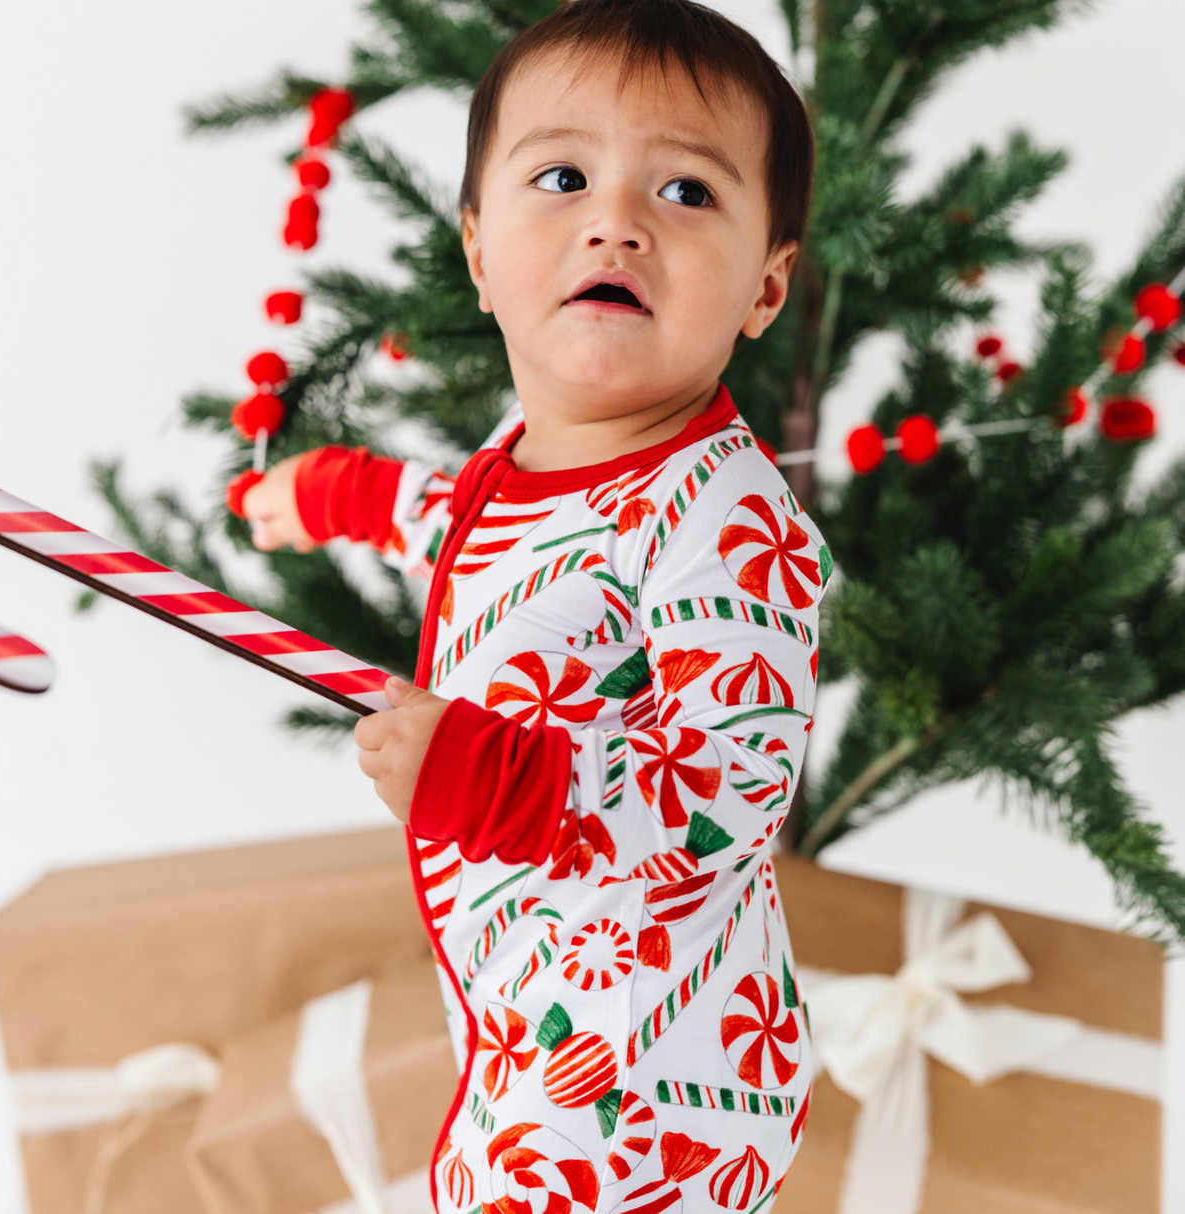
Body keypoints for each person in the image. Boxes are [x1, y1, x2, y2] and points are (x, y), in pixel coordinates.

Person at [243, 1, 825, 1208]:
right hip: (529, 1014)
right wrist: (353, 492)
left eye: (686, 193)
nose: (613, 222)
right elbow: (491, 542)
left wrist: (502, 783)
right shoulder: (530, 455)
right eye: (561, 176)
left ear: (764, 287)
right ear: (476, 249)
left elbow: (728, 785)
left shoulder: (730, 526)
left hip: (645, 1079)